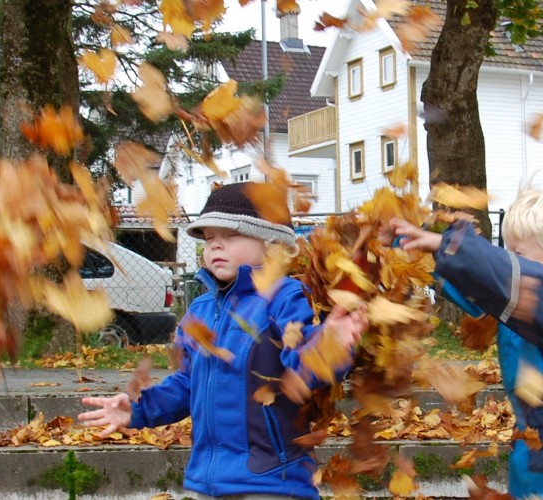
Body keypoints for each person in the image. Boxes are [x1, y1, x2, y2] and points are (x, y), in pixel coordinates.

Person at [79, 182, 367, 500]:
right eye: (210, 238)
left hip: (270, 480)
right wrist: (136, 409)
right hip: (208, 481)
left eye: (230, 236)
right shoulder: (199, 310)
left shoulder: (283, 296)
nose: (216, 246)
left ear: (272, 244)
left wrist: (331, 343)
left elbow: (303, 360)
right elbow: (187, 385)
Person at [391, 184, 543, 500]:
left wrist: (452, 247)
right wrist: (416, 247)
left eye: (518, 254)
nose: (511, 261)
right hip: (535, 438)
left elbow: (527, 287)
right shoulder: (533, 301)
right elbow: (482, 291)